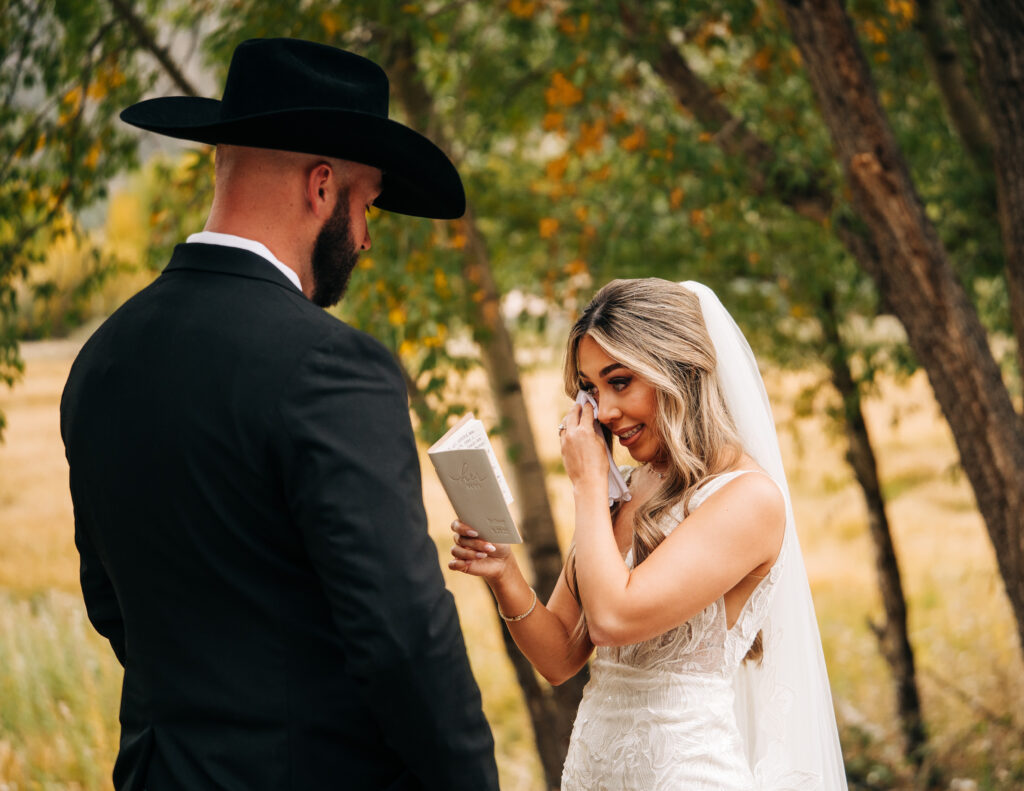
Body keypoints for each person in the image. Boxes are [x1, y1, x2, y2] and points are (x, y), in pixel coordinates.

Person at [60, 38, 498, 791]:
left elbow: (112, 602)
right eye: (367, 205)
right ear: (321, 187)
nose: (363, 236)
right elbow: (404, 641)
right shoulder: (333, 367)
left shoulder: (102, 359)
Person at [449, 278, 848, 789]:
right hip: (591, 773)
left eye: (620, 382)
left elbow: (614, 618)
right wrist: (504, 573)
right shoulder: (633, 486)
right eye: (591, 390)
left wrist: (589, 485)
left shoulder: (748, 499)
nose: (606, 412)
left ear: (679, 370)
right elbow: (558, 659)